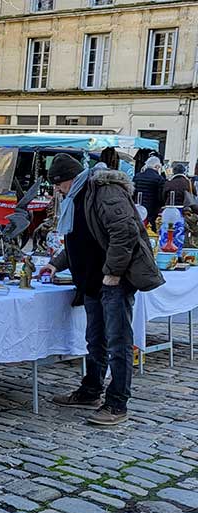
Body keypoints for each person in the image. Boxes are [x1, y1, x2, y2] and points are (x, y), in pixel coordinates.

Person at [40, 154, 165, 425]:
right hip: (93, 281)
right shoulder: (77, 196)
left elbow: (125, 232)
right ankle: (90, 391)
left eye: (58, 185)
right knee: (95, 340)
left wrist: (114, 273)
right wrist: (55, 264)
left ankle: (117, 403)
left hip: (112, 281)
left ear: (67, 179)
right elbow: (79, 239)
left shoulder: (103, 190)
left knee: (118, 343)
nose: (57, 191)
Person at [133, 156, 166, 231]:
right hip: (152, 209)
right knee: (150, 229)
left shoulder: (137, 176)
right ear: (157, 166)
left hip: (138, 207)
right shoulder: (159, 179)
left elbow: (133, 193)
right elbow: (161, 197)